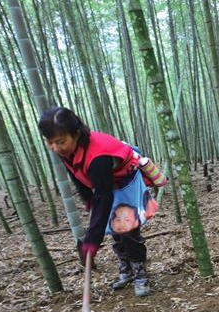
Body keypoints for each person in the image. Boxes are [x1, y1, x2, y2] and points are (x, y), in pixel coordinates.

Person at [38, 107, 155, 297]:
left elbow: (104, 195)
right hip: (105, 185)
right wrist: (88, 199)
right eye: (49, 142)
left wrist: (92, 240)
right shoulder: (66, 149)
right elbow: (75, 174)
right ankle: (125, 268)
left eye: (60, 142)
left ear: (76, 134)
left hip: (125, 182)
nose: (55, 148)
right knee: (114, 229)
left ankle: (140, 272)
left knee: (127, 229)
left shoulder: (98, 156)